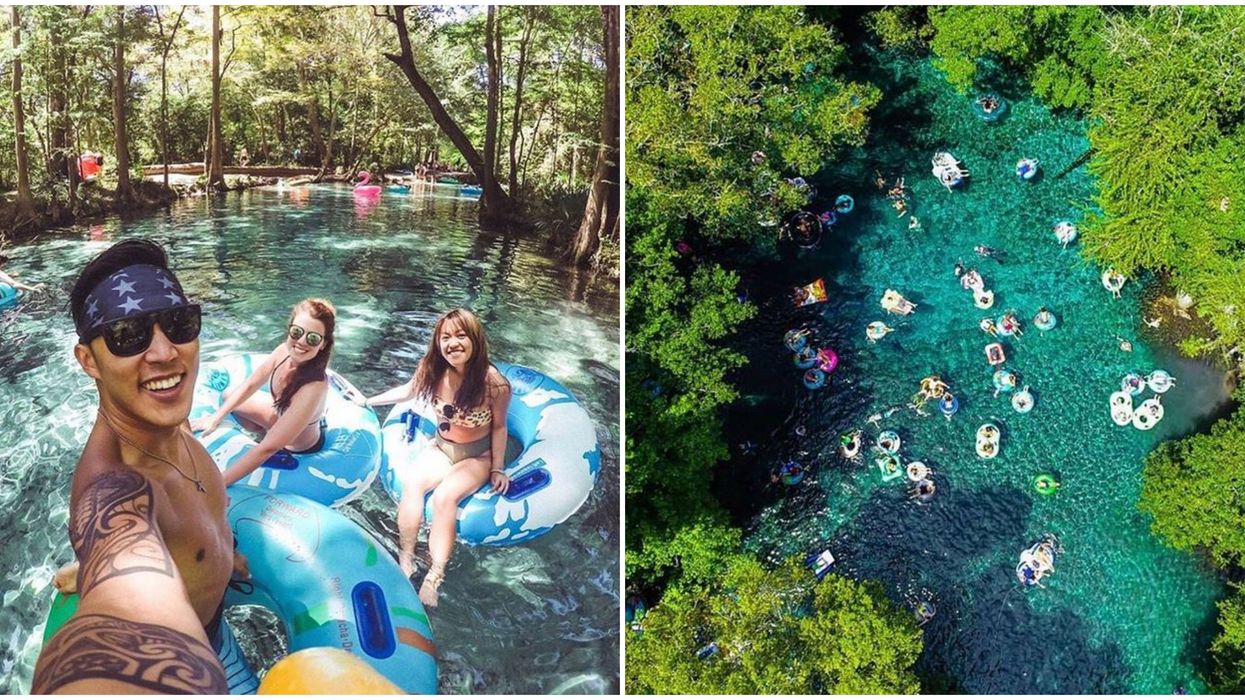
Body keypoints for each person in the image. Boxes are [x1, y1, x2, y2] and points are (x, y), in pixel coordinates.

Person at [47, 239, 247, 690]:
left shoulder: (172, 420)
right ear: (88, 361)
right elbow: (119, 589)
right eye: (126, 335)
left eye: (178, 324)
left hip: (221, 621)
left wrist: (223, 556)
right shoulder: (114, 487)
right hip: (207, 656)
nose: (163, 353)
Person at [361, 308, 512, 607]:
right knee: (414, 482)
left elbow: (499, 426)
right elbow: (407, 391)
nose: (452, 343)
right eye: (446, 337)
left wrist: (498, 467)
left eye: (460, 335)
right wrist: (366, 400)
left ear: (475, 340)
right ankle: (406, 559)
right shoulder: (433, 369)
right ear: (437, 342)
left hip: (477, 455)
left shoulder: (494, 384)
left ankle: (434, 577)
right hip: (442, 447)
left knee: (445, 498)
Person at [190, 299, 334, 485]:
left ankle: (281, 452)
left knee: (269, 445)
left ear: (323, 344)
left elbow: (267, 448)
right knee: (228, 395)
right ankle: (262, 431)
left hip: (298, 445)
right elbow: (251, 384)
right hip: (281, 416)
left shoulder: (313, 387)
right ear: (289, 329)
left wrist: (217, 485)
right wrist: (215, 418)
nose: (301, 341)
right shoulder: (282, 352)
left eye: (312, 338)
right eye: (297, 332)